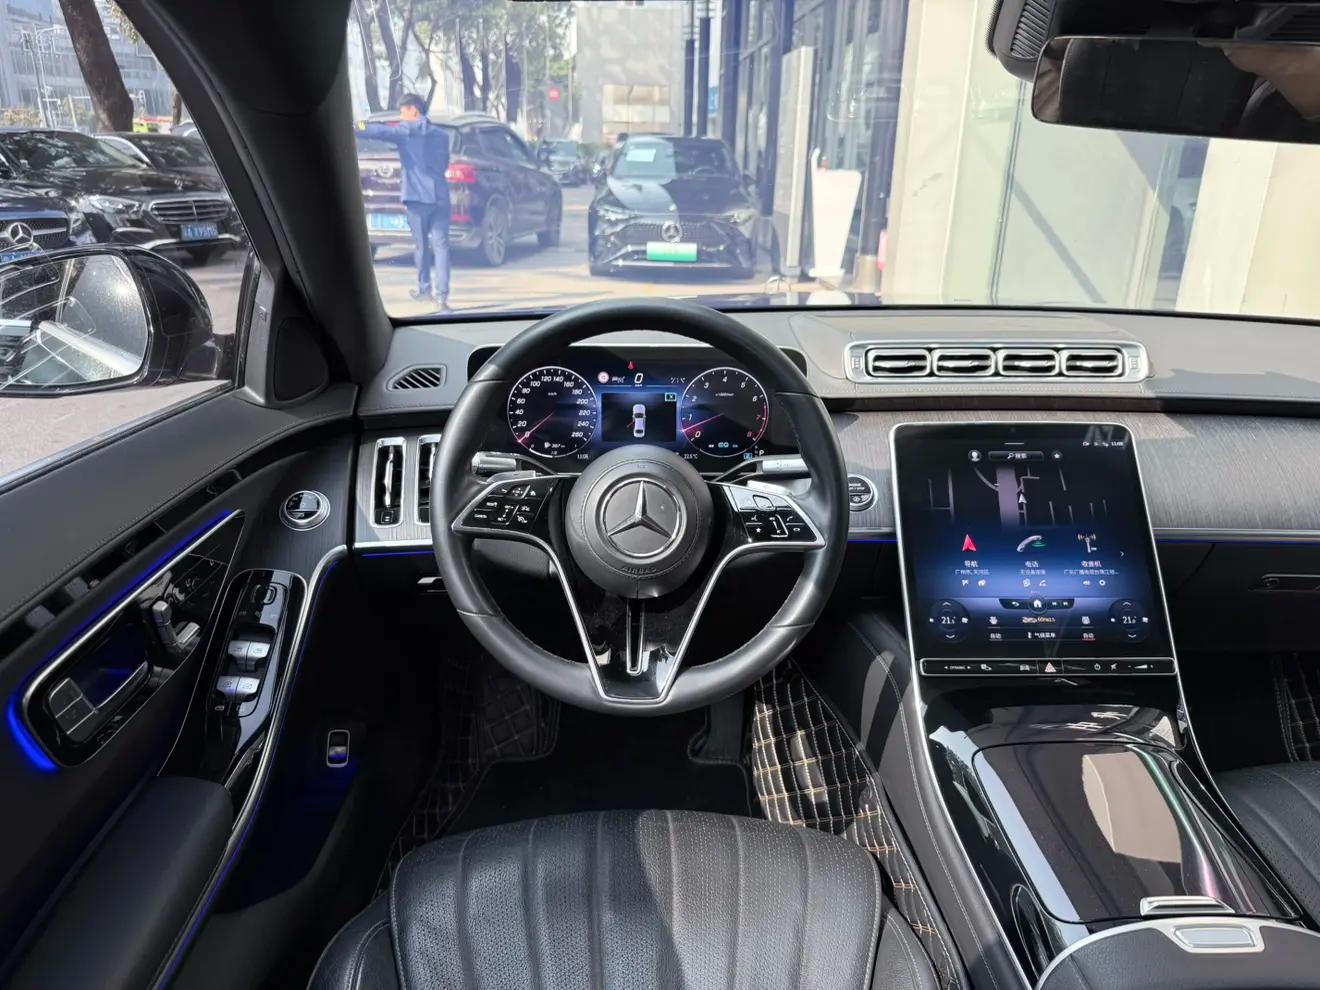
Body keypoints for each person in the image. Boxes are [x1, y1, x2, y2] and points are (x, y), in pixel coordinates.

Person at [355, 93, 452, 311]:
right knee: (442, 247)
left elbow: (374, 130)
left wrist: (355, 124)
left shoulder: (405, 131)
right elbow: (444, 163)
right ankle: (442, 297)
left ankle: (424, 289)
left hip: (416, 197)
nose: (401, 116)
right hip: (440, 196)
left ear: (413, 110)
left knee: (420, 245)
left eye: (402, 111)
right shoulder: (442, 135)